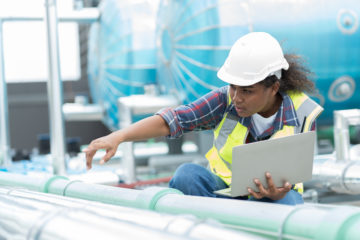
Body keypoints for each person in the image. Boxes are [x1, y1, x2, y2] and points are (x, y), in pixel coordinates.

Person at [84, 32, 323, 205]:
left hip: (276, 198)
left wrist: (275, 193)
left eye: (247, 91)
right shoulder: (224, 101)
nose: (237, 98)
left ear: (273, 88)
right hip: (224, 192)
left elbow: (291, 181)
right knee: (187, 176)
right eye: (233, 87)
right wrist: (120, 136)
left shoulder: (302, 113)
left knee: (288, 206)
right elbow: (176, 119)